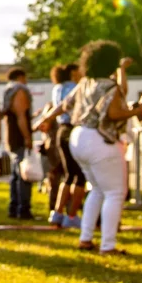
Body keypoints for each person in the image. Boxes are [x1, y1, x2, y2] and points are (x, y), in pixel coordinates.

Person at [54, 43, 142, 255]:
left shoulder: (85, 82)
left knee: (96, 190)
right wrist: (138, 110)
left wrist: (46, 119)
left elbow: (65, 105)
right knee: (115, 193)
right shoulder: (109, 86)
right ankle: (108, 245)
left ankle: (85, 238)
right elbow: (114, 113)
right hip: (100, 139)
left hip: (78, 137)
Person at [49, 62, 87, 228]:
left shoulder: (57, 88)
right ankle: (72, 215)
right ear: (73, 73)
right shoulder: (76, 87)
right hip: (74, 129)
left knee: (68, 174)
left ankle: (57, 213)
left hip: (61, 130)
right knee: (80, 175)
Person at [3, 67, 36, 220]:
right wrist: (27, 137)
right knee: (24, 174)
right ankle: (23, 209)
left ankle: (14, 207)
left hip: (11, 136)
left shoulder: (8, 90)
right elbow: (21, 115)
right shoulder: (19, 90)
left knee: (16, 174)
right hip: (19, 137)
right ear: (20, 77)